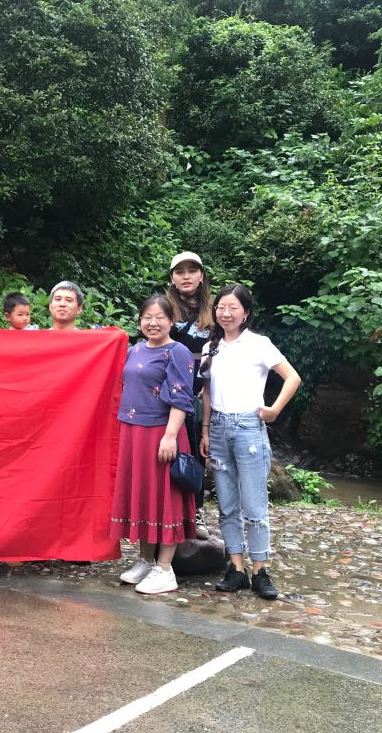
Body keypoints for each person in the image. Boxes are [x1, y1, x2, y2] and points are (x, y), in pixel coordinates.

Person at [198, 284, 301, 600]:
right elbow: (207, 392)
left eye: (233, 308)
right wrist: (205, 429)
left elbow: (292, 377)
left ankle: (260, 571)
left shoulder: (259, 344)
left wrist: (274, 410)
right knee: (227, 506)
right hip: (218, 427)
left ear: (246, 313)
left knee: (255, 506)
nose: (226, 313)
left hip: (249, 428)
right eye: (221, 307)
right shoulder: (211, 347)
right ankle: (236, 569)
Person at [110, 295, 196, 595]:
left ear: (172, 321)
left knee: (166, 498)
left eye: (160, 317)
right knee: (145, 495)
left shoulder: (177, 352)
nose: (153, 322)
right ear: (140, 321)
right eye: (147, 317)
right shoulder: (135, 350)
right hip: (134, 433)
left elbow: (181, 397)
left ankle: (165, 568)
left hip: (161, 433)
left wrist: (170, 435)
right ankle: (145, 560)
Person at [166, 251, 214, 540]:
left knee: (197, 452)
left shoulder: (215, 311)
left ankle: (196, 511)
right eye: (180, 271)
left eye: (192, 271)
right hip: (168, 393)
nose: (186, 276)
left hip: (200, 391)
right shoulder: (164, 309)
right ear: (172, 278)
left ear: (201, 275)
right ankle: (166, 513)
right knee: (168, 452)